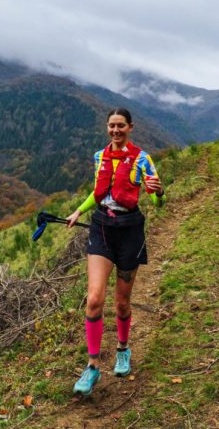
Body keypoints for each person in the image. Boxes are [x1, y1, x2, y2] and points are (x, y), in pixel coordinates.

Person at [65, 107, 165, 396]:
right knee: (94, 299)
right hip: (102, 227)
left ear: (130, 127)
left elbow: (157, 201)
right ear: (107, 127)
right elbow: (99, 190)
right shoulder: (99, 157)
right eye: (112, 125)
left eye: (121, 125)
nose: (116, 130)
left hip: (130, 230)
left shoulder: (143, 159)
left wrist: (158, 192)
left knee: (122, 303)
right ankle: (92, 366)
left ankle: (123, 348)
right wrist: (78, 211)